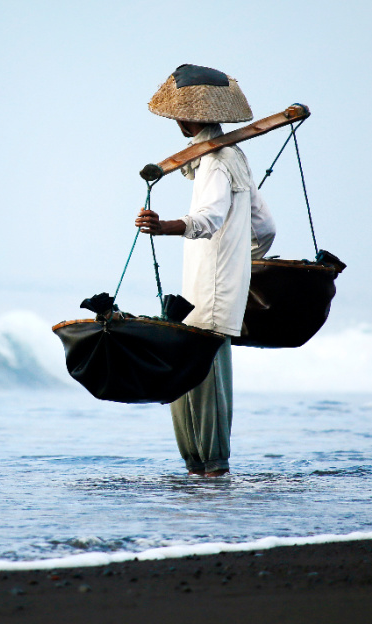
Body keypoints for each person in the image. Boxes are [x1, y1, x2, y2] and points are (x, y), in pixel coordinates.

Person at [135, 64, 276, 477]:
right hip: (214, 290)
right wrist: (243, 265)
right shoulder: (233, 157)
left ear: (190, 117)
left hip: (209, 293)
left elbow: (208, 218)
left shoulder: (217, 162)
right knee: (194, 380)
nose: (177, 122)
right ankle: (202, 474)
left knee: (204, 386)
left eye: (180, 115)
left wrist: (164, 227)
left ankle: (210, 474)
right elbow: (265, 228)